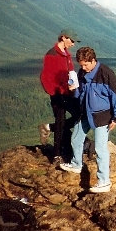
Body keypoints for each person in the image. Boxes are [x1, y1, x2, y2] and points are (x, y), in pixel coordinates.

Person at [60, 46, 116, 193]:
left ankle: (104, 182)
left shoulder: (106, 73)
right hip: (85, 113)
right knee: (76, 139)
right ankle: (76, 164)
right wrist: (73, 90)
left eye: (86, 64)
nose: (83, 68)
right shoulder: (82, 73)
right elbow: (79, 94)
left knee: (100, 149)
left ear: (93, 60)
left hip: (102, 116)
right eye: (81, 65)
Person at [39, 29, 81, 164]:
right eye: (72, 40)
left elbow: (69, 74)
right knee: (61, 120)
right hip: (57, 94)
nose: (73, 44)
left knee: (79, 115)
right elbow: (45, 77)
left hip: (68, 93)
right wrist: (54, 92)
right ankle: (56, 155)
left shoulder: (66, 55)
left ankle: (49, 127)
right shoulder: (52, 54)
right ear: (63, 37)